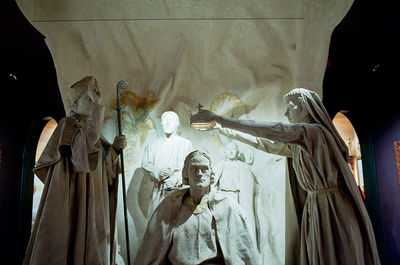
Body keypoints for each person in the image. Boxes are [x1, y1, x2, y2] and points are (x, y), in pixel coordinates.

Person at [191, 88, 381, 265]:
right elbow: (262, 143)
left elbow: (274, 130)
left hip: (331, 206)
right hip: (316, 205)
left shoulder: (312, 132)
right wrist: (222, 128)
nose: (286, 113)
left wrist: (221, 119)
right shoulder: (302, 143)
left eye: (289, 108)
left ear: (304, 107)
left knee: (336, 253)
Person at [24, 76, 126, 265]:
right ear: (75, 103)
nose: (93, 102)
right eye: (89, 99)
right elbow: (82, 153)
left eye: (93, 99)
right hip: (73, 192)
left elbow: (102, 166)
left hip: (93, 195)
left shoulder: (93, 131)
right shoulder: (67, 125)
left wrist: (114, 151)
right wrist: (98, 106)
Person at [134, 150, 260, 265]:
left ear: (211, 172)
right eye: (194, 169)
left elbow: (243, 251)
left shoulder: (228, 207)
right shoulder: (170, 204)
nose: (199, 173)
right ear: (186, 174)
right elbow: (152, 249)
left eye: (204, 169)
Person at [142, 111, 192, 220]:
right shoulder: (153, 144)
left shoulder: (185, 144)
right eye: (164, 121)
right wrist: (158, 172)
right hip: (159, 190)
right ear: (161, 123)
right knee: (157, 225)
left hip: (179, 191)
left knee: (177, 224)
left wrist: (177, 179)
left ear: (177, 123)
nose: (167, 123)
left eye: (171, 120)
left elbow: (189, 167)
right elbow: (146, 164)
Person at [213, 142, 257, 245]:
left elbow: (248, 184)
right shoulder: (221, 165)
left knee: (237, 222)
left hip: (237, 196)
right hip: (224, 196)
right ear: (225, 152)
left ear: (238, 152)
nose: (231, 151)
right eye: (228, 149)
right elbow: (212, 181)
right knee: (224, 223)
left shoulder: (242, 166)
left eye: (234, 149)